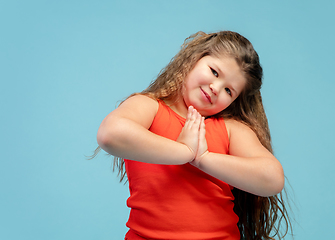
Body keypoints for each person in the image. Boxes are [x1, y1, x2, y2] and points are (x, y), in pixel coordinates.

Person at [95, 31, 291, 240]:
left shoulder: (231, 129)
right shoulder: (149, 108)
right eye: (215, 72)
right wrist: (183, 151)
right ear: (193, 59)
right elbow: (110, 134)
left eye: (229, 91)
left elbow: (272, 179)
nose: (216, 88)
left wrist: (203, 158)